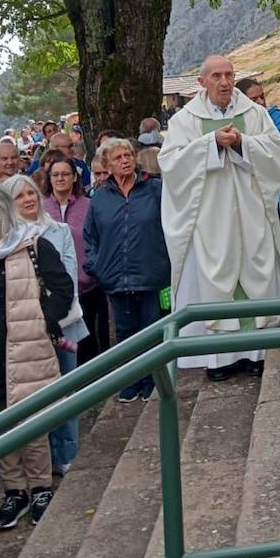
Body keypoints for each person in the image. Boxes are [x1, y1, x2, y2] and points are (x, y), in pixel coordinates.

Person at [159, 55, 280, 380]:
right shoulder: (185, 121)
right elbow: (170, 163)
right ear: (202, 82)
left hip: (251, 214)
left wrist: (243, 142)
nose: (225, 82)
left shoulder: (254, 113)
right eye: (216, 75)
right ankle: (222, 359)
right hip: (211, 220)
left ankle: (259, 353)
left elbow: (274, 150)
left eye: (229, 74)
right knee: (216, 281)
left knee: (256, 275)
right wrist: (209, 144)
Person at [0, 183, 74, 528]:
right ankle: (14, 490)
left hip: (28, 347)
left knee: (30, 422)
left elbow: (62, 286)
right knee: (1, 424)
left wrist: (47, 319)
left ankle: (41, 485)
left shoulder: (31, 245)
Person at [6, 175, 88, 476]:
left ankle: (67, 453)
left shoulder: (58, 231)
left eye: (32, 193)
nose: (28, 199)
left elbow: (67, 278)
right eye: (20, 196)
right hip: (23, 332)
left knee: (65, 390)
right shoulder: (6, 240)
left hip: (60, 323)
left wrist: (51, 318)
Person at [83, 137, 171, 402]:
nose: (125, 160)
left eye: (128, 155)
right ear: (107, 165)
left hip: (151, 274)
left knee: (151, 330)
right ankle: (131, 381)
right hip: (115, 278)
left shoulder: (154, 189)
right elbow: (91, 237)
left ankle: (155, 381)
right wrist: (96, 266)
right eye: (118, 158)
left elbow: (170, 227)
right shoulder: (100, 198)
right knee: (125, 332)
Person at [45, 156, 108, 365]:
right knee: (63, 346)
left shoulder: (89, 205)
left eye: (65, 174)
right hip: (53, 290)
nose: (60, 178)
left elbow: (100, 240)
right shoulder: (41, 208)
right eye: (55, 174)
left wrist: (94, 269)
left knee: (89, 343)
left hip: (87, 286)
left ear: (74, 177)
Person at [236, 79, 280, 225]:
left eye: (262, 96)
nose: (261, 102)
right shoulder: (237, 124)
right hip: (251, 205)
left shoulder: (279, 121)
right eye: (254, 99)